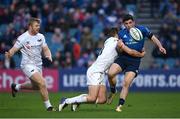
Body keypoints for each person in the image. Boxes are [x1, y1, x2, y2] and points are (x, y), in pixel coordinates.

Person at [58, 27, 146, 112]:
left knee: (102, 99)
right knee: (92, 98)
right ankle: (66, 100)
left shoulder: (109, 41)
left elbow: (121, 51)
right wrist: (141, 53)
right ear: (116, 34)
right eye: (119, 34)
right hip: (95, 71)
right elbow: (129, 51)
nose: (121, 36)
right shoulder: (114, 41)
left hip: (101, 72)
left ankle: (77, 101)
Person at [106, 14, 166, 112]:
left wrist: (160, 46)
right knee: (110, 74)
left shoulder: (142, 29)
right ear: (123, 25)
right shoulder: (121, 33)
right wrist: (119, 47)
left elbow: (153, 38)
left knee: (126, 83)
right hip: (123, 58)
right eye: (126, 23)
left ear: (134, 22)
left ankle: (119, 105)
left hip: (134, 62)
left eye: (130, 22)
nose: (129, 25)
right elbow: (119, 50)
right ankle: (113, 91)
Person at [5, 17, 56, 111]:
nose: (38, 27)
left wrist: (48, 55)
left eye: (39, 25)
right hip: (27, 65)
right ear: (30, 26)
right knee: (42, 83)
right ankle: (49, 107)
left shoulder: (41, 36)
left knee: (37, 86)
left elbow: (45, 48)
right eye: (36, 25)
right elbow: (13, 49)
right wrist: (9, 54)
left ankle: (16, 86)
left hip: (38, 65)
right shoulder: (23, 38)